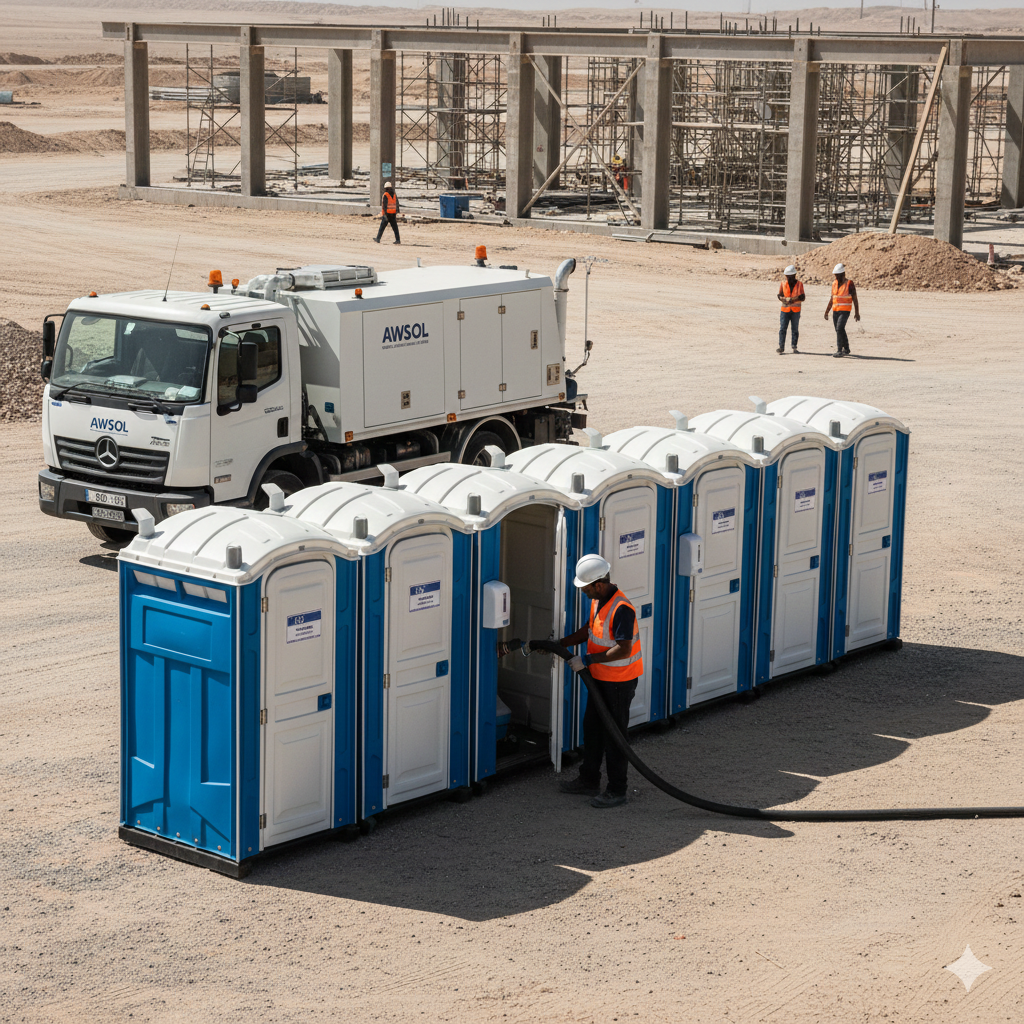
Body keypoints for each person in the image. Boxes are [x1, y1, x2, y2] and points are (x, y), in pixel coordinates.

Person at [557, 554, 644, 809]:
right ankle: (589, 780)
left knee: (615, 737)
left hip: (619, 683)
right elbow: (589, 629)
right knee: (593, 729)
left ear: (598, 584)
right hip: (600, 679)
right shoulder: (600, 601)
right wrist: (561, 644)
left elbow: (623, 649)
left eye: (585, 588)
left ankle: (617, 790)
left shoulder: (621, 608)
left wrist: (587, 660)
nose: (583, 592)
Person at [823, 262, 860, 357]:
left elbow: (855, 298)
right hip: (835, 310)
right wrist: (827, 311)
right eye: (835, 275)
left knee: (839, 328)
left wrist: (857, 312)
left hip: (845, 311)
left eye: (837, 275)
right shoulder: (834, 284)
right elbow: (832, 298)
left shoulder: (849, 284)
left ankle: (839, 350)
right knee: (839, 329)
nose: (836, 277)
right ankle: (846, 348)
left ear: (842, 274)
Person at [776, 264, 805, 354]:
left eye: (790, 276)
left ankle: (794, 346)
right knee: (782, 328)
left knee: (795, 329)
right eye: (787, 276)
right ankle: (781, 347)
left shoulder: (799, 284)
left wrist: (792, 300)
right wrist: (783, 299)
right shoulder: (783, 284)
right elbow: (779, 295)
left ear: (794, 275)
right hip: (785, 310)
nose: (788, 278)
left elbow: (802, 297)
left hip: (795, 311)